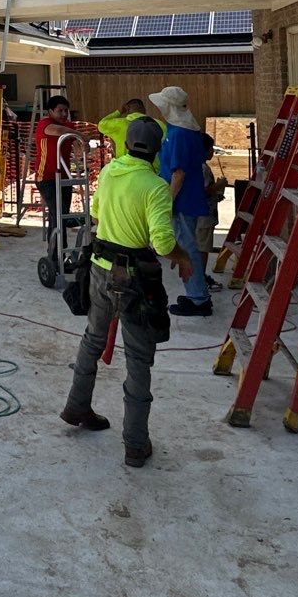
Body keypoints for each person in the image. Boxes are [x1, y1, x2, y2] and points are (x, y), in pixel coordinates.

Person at [59, 116, 191, 466]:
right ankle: (135, 443)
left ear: (127, 143)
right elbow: (162, 241)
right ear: (158, 150)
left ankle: (76, 406)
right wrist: (183, 257)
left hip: (100, 271)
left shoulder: (109, 173)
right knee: (138, 358)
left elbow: (99, 211)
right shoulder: (155, 186)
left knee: (92, 339)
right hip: (135, 281)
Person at [150, 87, 213, 315]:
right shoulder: (183, 129)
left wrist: (166, 202)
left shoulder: (179, 135)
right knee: (186, 245)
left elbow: (179, 174)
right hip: (186, 198)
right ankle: (195, 294)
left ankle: (199, 299)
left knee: (187, 248)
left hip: (182, 200)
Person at [32, 95, 91, 267]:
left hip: (65, 177)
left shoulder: (69, 127)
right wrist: (80, 134)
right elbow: (57, 131)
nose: (64, 114)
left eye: (66, 110)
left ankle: (56, 254)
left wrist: (83, 146)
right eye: (60, 111)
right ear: (50, 111)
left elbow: (78, 148)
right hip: (46, 178)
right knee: (60, 213)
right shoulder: (45, 124)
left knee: (58, 215)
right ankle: (58, 255)